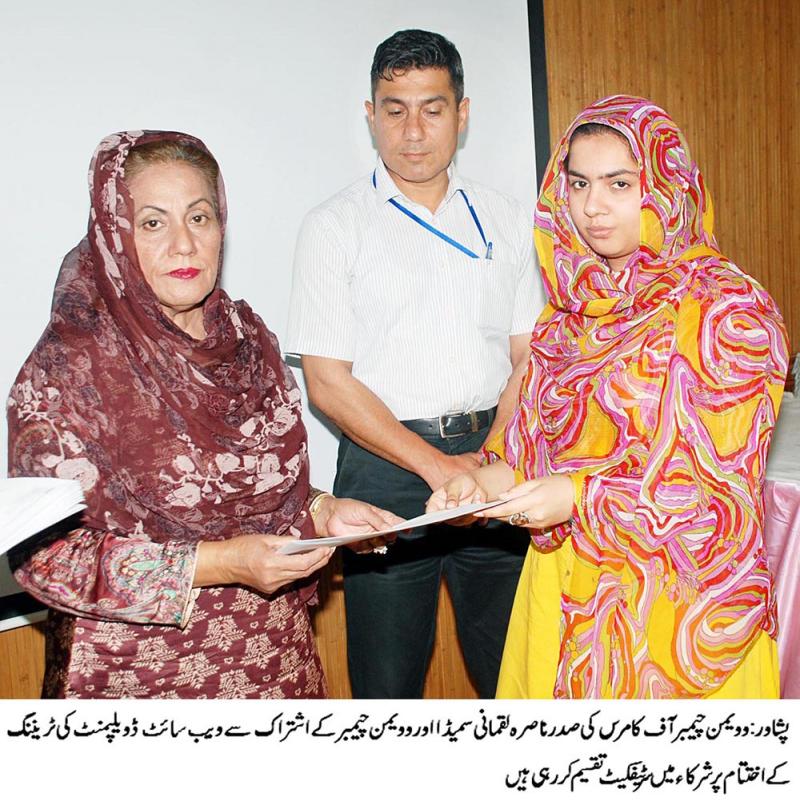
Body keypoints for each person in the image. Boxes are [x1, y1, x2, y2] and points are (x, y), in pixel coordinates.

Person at [7, 130, 397, 699]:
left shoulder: (245, 341)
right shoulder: (71, 368)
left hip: (276, 663)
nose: (184, 245)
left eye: (199, 217)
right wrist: (221, 564)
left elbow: (247, 489)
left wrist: (323, 511)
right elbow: (47, 557)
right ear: (114, 234)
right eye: (153, 223)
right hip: (138, 677)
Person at [428, 96, 789, 698]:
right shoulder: (568, 314)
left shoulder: (727, 309)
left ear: (666, 187)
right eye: (579, 184)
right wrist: (483, 486)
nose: (592, 206)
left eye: (619, 184)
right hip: (566, 588)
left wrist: (577, 495)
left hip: (677, 605)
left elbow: (714, 487)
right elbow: (533, 449)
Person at [286, 29, 543, 698]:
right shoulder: (333, 225)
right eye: (394, 110)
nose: (413, 131)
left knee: (516, 673)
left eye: (432, 108)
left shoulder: (509, 219)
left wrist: (488, 458)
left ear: (462, 113)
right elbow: (327, 383)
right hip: (384, 470)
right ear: (370, 116)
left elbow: (530, 357)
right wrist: (438, 468)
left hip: (494, 456)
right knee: (387, 685)